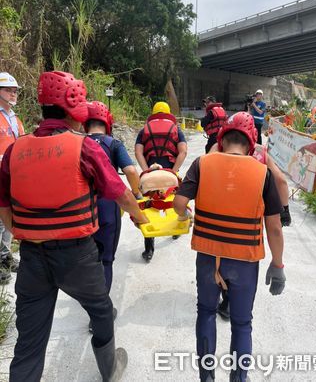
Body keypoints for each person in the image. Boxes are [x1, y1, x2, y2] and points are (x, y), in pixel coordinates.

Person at [0, 71, 148, 382]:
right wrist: (140, 217)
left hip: (32, 258)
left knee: (29, 341)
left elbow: (4, 208)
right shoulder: (84, 147)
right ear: (72, 105)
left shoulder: (15, 150)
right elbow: (119, 192)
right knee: (102, 310)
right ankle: (109, 369)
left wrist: (25, 235)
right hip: (77, 256)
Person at [173, 112, 285, 382]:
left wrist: (185, 215)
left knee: (207, 313)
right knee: (242, 323)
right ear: (251, 142)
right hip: (244, 262)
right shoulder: (263, 173)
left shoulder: (202, 164)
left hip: (208, 257)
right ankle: (238, 378)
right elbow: (274, 228)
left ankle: (207, 377)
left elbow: (178, 203)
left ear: (222, 140)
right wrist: (278, 264)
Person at [210, 133, 291, 321]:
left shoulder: (219, 149)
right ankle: (236, 305)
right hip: (249, 222)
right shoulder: (261, 153)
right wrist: (284, 209)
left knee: (220, 255)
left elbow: (205, 164)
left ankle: (225, 297)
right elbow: (281, 180)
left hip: (220, 215)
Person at [85, 100, 142, 297]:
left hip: (81, 209)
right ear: (108, 121)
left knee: (86, 257)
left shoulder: (77, 143)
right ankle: (100, 309)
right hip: (108, 206)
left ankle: (89, 296)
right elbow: (131, 171)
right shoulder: (114, 144)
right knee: (106, 259)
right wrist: (136, 194)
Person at [135, 101, 187, 261]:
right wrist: (173, 171)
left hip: (151, 174)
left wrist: (146, 171)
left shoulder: (144, 130)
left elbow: (138, 152)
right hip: (169, 174)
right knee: (172, 202)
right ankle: (175, 231)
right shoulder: (176, 129)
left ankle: (149, 249)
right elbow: (183, 151)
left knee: (150, 207)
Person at [0, 72, 24, 284]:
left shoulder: (15, 118)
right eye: (9, 90)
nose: (13, 94)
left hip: (13, 176)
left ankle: (6, 256)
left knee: (9, 216)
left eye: (15, 91)